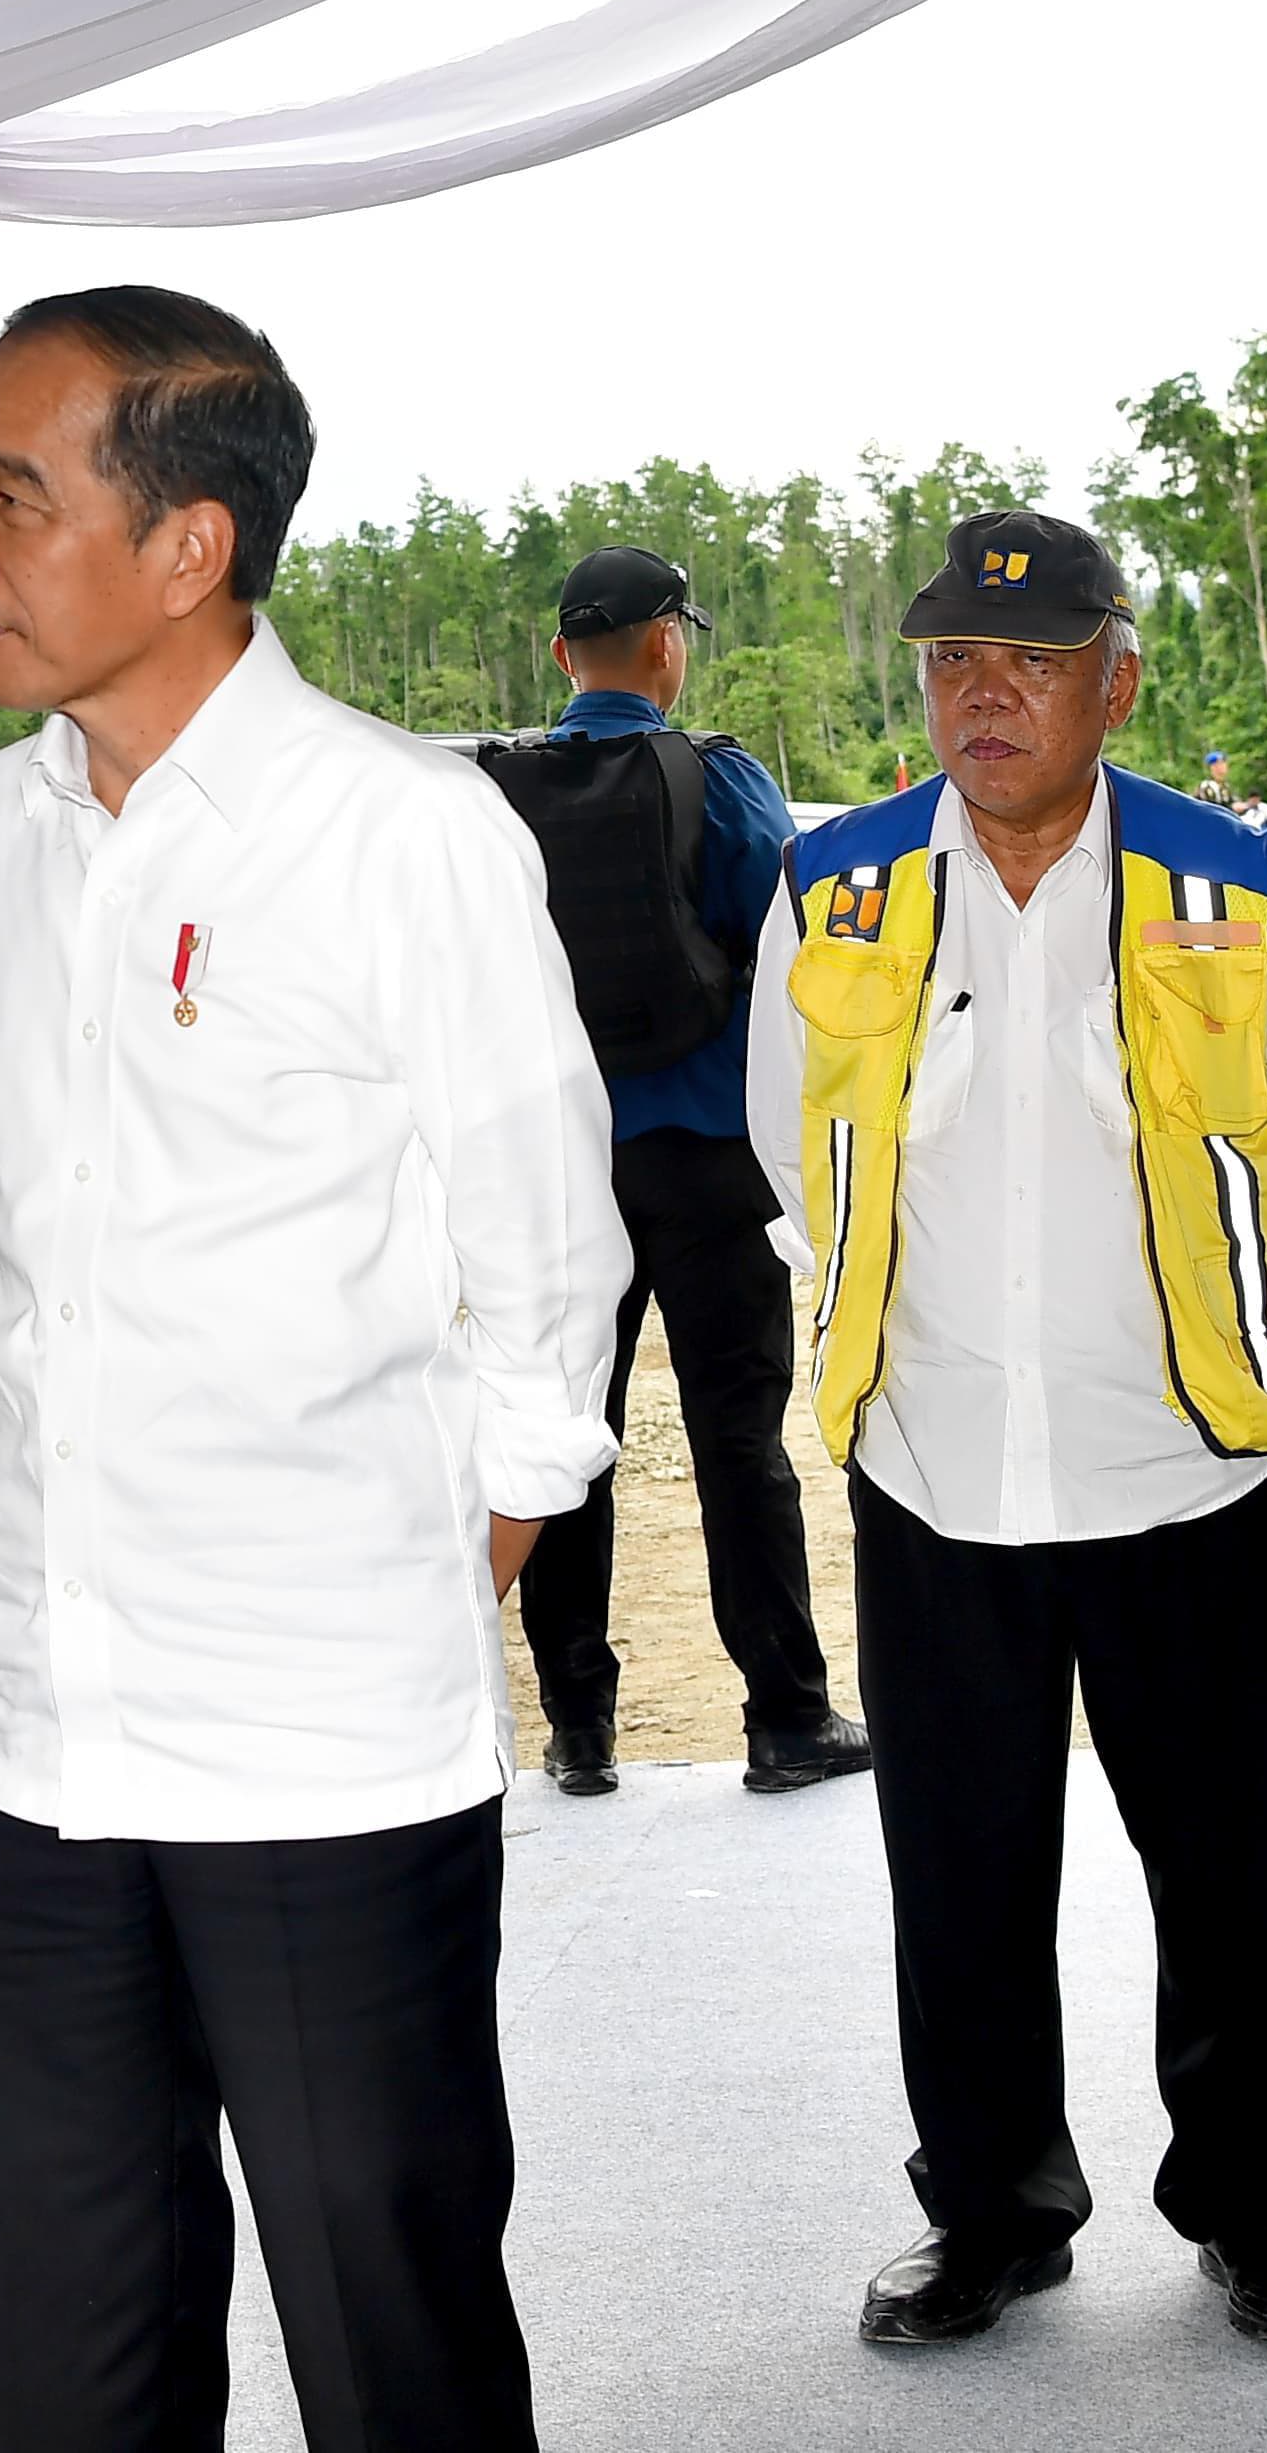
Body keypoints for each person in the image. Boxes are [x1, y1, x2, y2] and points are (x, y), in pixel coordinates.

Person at [0, 289, 625, 2453]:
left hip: (318, 1753)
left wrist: (418, 1574)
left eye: (15, 498)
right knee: (78, 2350)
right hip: (21, 1728)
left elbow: (546, 1272)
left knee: (388, 2336)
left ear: (193, 543)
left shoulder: (399, 833)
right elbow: (15, 1241)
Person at [750, 509, 1267, 2350]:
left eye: (1026, 661)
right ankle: (995, 2214)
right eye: (951, 662)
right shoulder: (838, 885)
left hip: (1183, 1460)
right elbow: (799, 1159)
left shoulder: (1235, 880)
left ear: (1119, 676)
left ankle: (1253, 2206)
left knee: (1231, 1873)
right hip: (935, 1473)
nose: (982, 694)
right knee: (959, 1875)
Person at [501, 547, 870, 1799]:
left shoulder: (499, 794)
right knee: (737, 1442)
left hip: (562, 1173)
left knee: (567, 1440)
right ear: (667, 644)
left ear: (564, 656)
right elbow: (791, 940)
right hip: (712, 1158)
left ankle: (580, 1729)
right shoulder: (716, 777)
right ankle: (785, 1718)